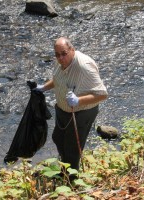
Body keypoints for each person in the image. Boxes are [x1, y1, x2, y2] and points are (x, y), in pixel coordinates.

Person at [35, 37, 108, 174]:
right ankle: (65, 167)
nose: (61, 58)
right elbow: (58, 79)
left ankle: (71, 179)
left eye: (64, 53)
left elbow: (102, 94)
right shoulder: (59, 62)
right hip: (63, 110)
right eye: (57, 54)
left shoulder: (84, 66)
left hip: (81, 112)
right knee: (57, 138)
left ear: (72, 50)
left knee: (72, 148)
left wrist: (78, 100)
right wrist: (44, 88)